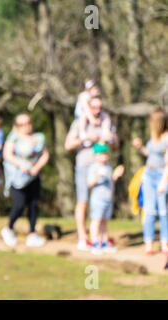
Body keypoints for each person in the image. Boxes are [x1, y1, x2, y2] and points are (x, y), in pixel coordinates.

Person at [65, 97, 119, 251]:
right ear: (88, 107)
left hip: (103, 167)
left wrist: (110, 138)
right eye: (94, 107)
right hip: (84, 165)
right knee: (83, 201)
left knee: (103, 202)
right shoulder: (79, 123)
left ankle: (102, 238)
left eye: (99, 107)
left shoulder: (106, 121)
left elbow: (116, 145)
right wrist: (86, 138)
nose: (97, 110)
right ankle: (83, 237)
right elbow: (68, 145)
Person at [1, 113, 49, 247]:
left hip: (33, 176)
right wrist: (22, 165)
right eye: (22, 124)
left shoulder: (38, 137)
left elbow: (45, 155)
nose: (26, 126)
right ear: (17, 126)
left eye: (28, 122)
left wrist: (37, 168)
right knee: (19, 205)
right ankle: (9, 229)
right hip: (17, 178)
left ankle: (32, 233)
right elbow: (7, 155)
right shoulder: (13, 138)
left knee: (33, 205)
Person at [132, 108, 168, 255]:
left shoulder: (166, 137)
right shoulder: (153, 136)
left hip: (161, 175)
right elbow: (150, 154)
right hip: (148, 174)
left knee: (164, 211)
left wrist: (164, 181)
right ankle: (149, 243)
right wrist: (140, 148)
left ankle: (164, 243)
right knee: (149, 210)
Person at [87, 143, 124, 255]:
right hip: (98, 199)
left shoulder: (108, 166)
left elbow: (110, 181)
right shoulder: (94, 167)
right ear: (96, 155)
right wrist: (97, 176)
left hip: (108, 198)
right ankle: (95, 243)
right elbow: (89, 183)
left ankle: (104, 242)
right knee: (96, 221)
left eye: (106, 153)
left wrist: (115, 176)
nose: (104, 156)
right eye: (101, 154)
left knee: (104, 222)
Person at [75, 79, 112, 146]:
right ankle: (83, 134)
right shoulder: (84, 96)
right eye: (93, 89)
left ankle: (106, 132)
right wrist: (92, 119)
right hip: (80, 116)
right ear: (87, 90)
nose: (96, 91)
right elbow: (86, 109)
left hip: (92, 116)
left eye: (96, 88)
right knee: (83, 116)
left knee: (105, 116)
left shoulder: (95, 97)